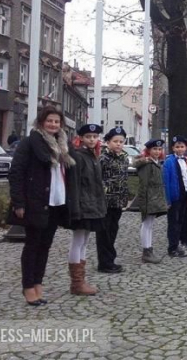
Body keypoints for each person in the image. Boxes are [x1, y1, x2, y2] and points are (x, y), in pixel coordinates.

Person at [8, 106, 76, 306]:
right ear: (41, 122)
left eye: (56, 121)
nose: (53, 125)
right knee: (32, 245)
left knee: (45, 246)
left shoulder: (63, 146)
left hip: (56, 202)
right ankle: (28, 286)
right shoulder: (30, 143)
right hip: (35, 202)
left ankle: (38, 283)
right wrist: (18, 202)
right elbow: (16, 173)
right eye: (49, 121)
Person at [67, 123, 107, 296]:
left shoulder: (93, 156)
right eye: (88, 137)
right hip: (83, 206)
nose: (92, 139)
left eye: (95, 136)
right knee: (78, 241)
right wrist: (75, 208)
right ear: (81, 138)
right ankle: (76, 282)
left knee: (84, 242)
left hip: (93, 205)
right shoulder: (78, 156)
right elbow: (74, 184)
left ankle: (80, 280)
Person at [96, 126, 129, 274]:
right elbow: (98, 179)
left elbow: (124, 179)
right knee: (104, 232)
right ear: (108, 142)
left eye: (121, 141)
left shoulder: (124, 157)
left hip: (118, 201)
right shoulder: (103, 158)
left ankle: (111, 259)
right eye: (115, 141)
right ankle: (104, 262)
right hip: (105, 201)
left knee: (113, 230)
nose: (118, 144)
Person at [133, 139, 168, 263]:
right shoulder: (147, 164)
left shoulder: (156, 162)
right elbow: (144, 184)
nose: (157, 151)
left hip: (155, 198)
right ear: (148, 151)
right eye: (154, 149)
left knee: (150, 225)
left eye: (159, 149)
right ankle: (146, 251)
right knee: (146, 225)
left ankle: (149, 249)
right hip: (149, 198)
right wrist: (145, 201)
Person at [163, 136, 187, 258]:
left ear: (186, 148)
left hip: (185, 194)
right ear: (173, 148)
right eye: (177, 147)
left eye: (182, 147)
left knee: (181, 221)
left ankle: (178, 243)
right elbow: (166, 181)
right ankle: (172, 247)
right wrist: (168, 199)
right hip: (175, 196)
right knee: (173, 222)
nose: (180, 149)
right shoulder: (169, 161)